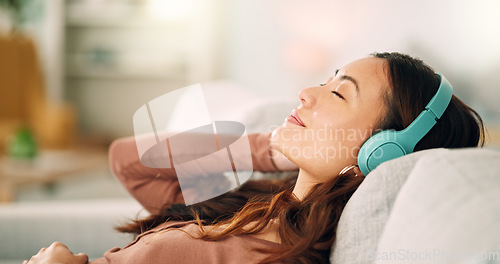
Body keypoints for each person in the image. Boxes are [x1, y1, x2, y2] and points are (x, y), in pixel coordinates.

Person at [24, 52, 484, 264]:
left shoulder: (280, 255)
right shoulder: (256, 201)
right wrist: (273, 146)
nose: (305, 92)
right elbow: (131, 160)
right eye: (326, 79)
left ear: (381, 153)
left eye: (339, 93)